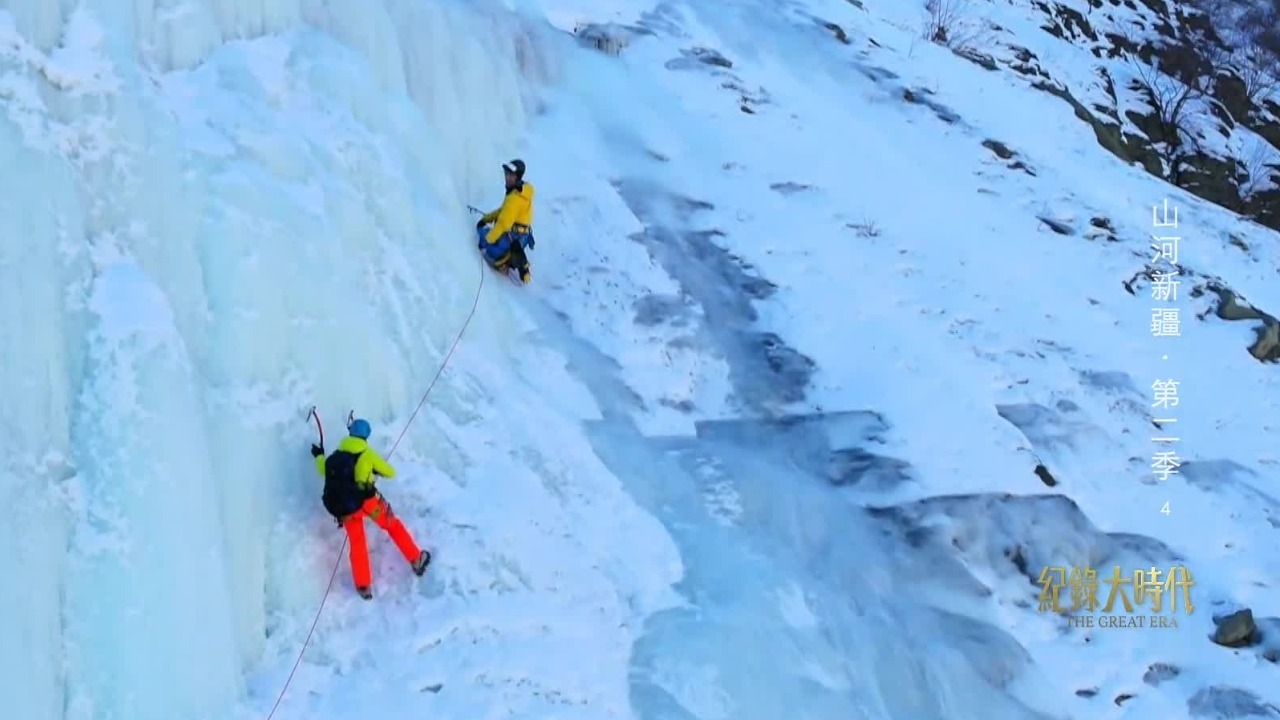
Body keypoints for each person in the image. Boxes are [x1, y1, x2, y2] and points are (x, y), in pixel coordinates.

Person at [312, 418, 430, 600]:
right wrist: (374, 471)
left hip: (348, 507)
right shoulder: (366, 453)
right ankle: (416, 559)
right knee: (392, 525)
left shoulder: (337, 455)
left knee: (357, 543)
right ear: (365, 437)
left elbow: (323, 470)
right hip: (369, 503)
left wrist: (319, 455)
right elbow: (390, 472)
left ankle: (363, 586)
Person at [476, 158, 536, 284]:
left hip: (513, 237)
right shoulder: (522, 192)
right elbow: (504, 211)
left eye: (511, 175)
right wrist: (487, 218)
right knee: (490, 235)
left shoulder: (514, 198)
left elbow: (503, 224)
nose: (507, 178)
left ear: (518, 177)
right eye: (507, 174)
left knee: (486, 242)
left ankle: (503, 262)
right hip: (522, 237)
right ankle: (512, 258)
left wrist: (486, 241)